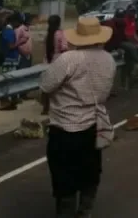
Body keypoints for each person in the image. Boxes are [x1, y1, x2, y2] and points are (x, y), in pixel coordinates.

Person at [39, 16, 116, 218]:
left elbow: (46, 85)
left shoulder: (69, 59)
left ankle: (66, 213)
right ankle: (85, 212)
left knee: (64, 178)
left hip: (65, 127)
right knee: (90, 173)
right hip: (93, 124)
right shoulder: (109, 59)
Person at [0, 13, 31, 110]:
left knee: (11, 80)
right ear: (14, 22)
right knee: (8, 80)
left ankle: (12, 99)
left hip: (11, 58)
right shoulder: (8, 31)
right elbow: (10, 46)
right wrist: (21, 41)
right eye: (19, 23)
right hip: (9, 59)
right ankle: (4, 101)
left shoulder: (9, 30)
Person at [41, 15, 68, 115]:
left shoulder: (47, 35)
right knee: (60, 86)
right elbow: (64, 48)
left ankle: (45, 108)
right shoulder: (61, 34)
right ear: (59, 23)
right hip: (59, 61)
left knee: (47, 86)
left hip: (47, 62)